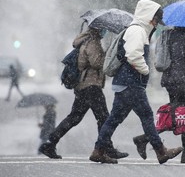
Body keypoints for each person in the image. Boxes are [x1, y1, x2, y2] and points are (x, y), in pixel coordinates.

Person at [89, 0, 183, 164]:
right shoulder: (137, 31)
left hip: (125, 83)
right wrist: (145, 70)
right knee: (146, 115)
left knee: (114, 119)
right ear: (148, 17)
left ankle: (99, 150)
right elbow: (133, 55)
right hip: (131, 83)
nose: (156, 24)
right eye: (155, 20)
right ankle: (161, 151)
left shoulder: (138, 31)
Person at [39, 27, 128, 159]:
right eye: (103, 30)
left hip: (83, 86)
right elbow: (96, 63)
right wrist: (107, 56)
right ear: (98, 30)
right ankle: (105, 149)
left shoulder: (86, 40)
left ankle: (50, 143)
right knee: (103, 117)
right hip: (90, 86)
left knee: (75, 117)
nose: (105, 32)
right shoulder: (93, 42)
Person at [133, 27, 185, 164]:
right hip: (180, 81)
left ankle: (146, 138)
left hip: (170, 79)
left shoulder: (170, 34)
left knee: (176, 115)